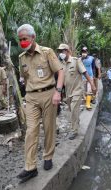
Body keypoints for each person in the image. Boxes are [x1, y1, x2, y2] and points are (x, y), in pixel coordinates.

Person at [17, 24, 64, 183]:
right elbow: (24, 77)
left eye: (25, 38)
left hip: (49, 94)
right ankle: (30, 167)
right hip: (31, 97)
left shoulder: (47, 52)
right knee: (31, 131)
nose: (22, 42)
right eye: (20, 40)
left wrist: (58, 91)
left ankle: (48, 156)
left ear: (33, 37)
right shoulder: (21, 58)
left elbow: (60, 72)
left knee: (49, 127)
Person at [57, 44, 96, 140]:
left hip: (77, 90)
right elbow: (61, 79)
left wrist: (92, 84)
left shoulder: (76, 61)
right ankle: (76, 122)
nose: (61, 53)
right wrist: (59, 92)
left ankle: (74, 131)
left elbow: (85, 73)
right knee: (72, 110)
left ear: (68, 51)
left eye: (63, 51)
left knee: (74, 109)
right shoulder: (61, 64)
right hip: (68, 92)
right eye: (60, 51)